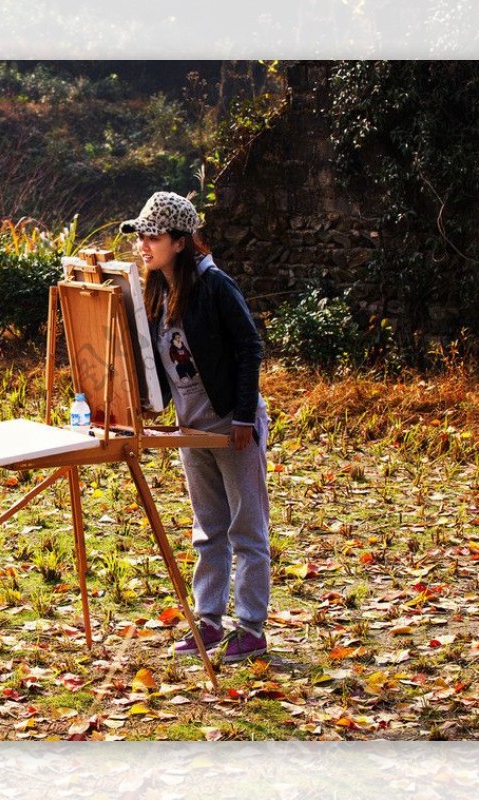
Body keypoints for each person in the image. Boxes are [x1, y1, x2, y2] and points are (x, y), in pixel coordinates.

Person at [120, 191, 271, 663]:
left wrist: (244, 417)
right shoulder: (157, 289)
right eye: (140, 237)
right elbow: (161, 361)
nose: (144, 245)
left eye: (154, 236)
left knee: (247, 528)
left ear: (181, 242)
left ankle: (250, 627)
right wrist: (149, 403)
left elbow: (249, 348)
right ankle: (208, 620)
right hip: (192, 426)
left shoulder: (214, 285)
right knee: (209, 529)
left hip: (231, 424)